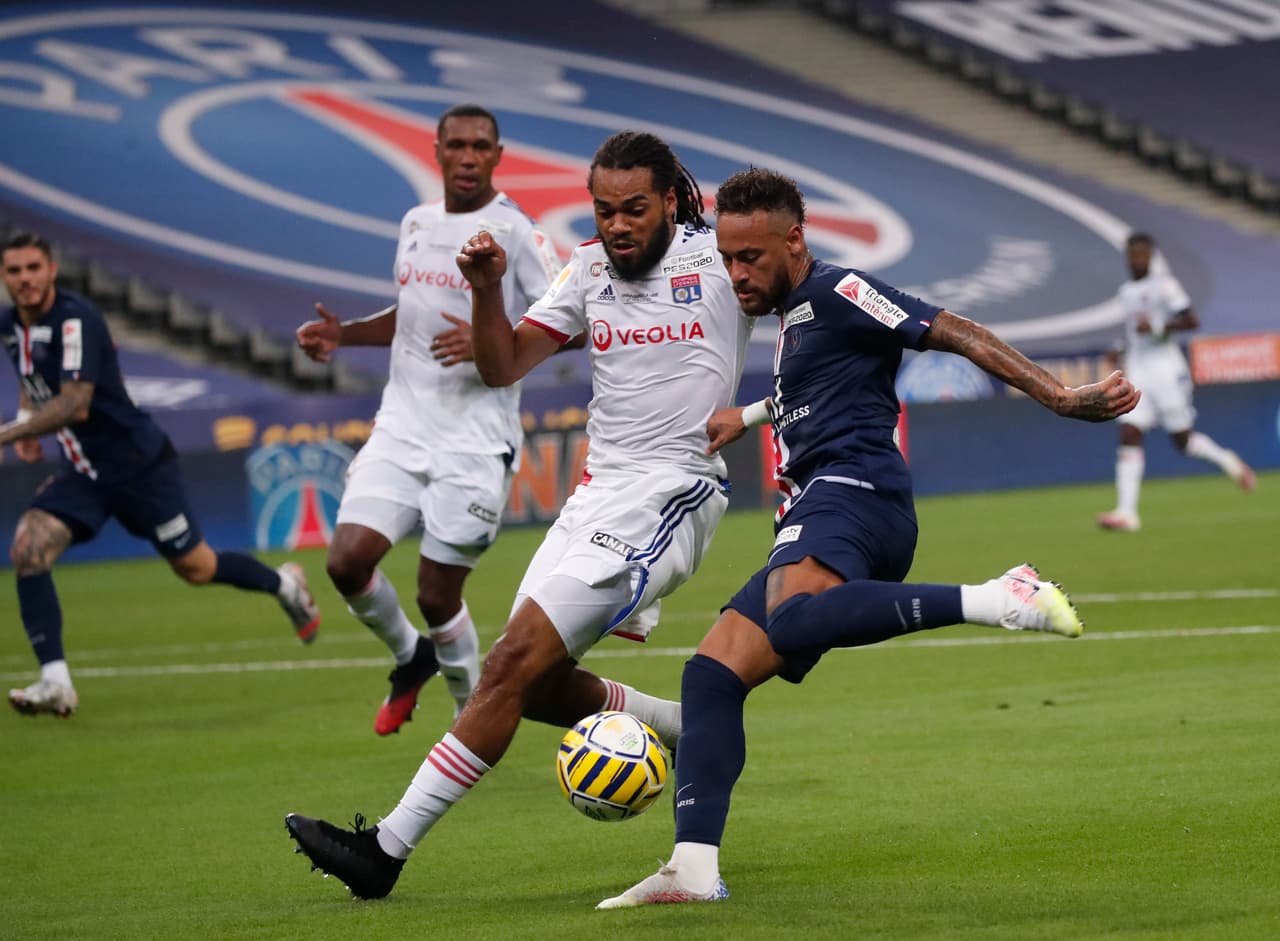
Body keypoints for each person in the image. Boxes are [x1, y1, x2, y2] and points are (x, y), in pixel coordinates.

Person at [597, 167, 1141, 908]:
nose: (736, 273)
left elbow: (955, 329)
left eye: (751, 257)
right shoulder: (799, 317)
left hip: (855, 493)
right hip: (825, 507)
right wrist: (750, 416)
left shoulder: (839, 291)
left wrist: (1058, 396)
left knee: (788, 619)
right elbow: (813, 386)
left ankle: (998, 596)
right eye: (726, 258)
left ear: (794, 239)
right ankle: (691, 866)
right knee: (712, 673)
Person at [284, 130, 756, 899]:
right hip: (594, 495)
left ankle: (383, 852)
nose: (618, 226)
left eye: (635, 209)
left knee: (504, 667)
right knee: (527, 683)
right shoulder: (590, 268)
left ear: (670, 199)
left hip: (674, 491)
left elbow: (808, 296)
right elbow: (502, 364)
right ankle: (682, 723)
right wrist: (484, 286)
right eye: (604, 210)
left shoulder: (717, 260)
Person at [295, 103, 566, 735]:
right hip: (402, 426)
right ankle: (409, 656)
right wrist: (346, 335)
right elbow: (412, 311)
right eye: (456, 146)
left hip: (474, 439)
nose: (468, 157)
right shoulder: (416, 222)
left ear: (498, 157)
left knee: (436, 595)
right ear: (437, 151)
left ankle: (471, 722)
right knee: (345, 563)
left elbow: (568, 320)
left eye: (480, 147)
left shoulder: (517, 232)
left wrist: (490, 340)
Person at [1, 232, 320, 718]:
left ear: (51, 270)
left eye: (32, 268)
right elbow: (34, 381)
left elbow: (74, 402)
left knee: (198, 568)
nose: (24, 279)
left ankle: (286, 586)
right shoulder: (10, 326)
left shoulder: (75, 319)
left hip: (138, 466)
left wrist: (6, 434)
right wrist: (26, 423)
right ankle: (56, 682)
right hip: (84, 473)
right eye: (14, 271)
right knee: (28, 548)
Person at [1096, 232, 1254, 532]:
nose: (1136, 260)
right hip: (1139, 372)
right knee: (1129, 432)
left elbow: (1191, 320)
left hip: (1167, 372)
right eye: (1132, 255)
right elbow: (1133, 332)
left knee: (1183, 441)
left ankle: (1227, 460)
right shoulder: (1126, 291)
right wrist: (1118, 349)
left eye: (1142, 255)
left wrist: (1157, 326)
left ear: (1151, 257)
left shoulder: (1165, 286)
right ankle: (1127, 513)